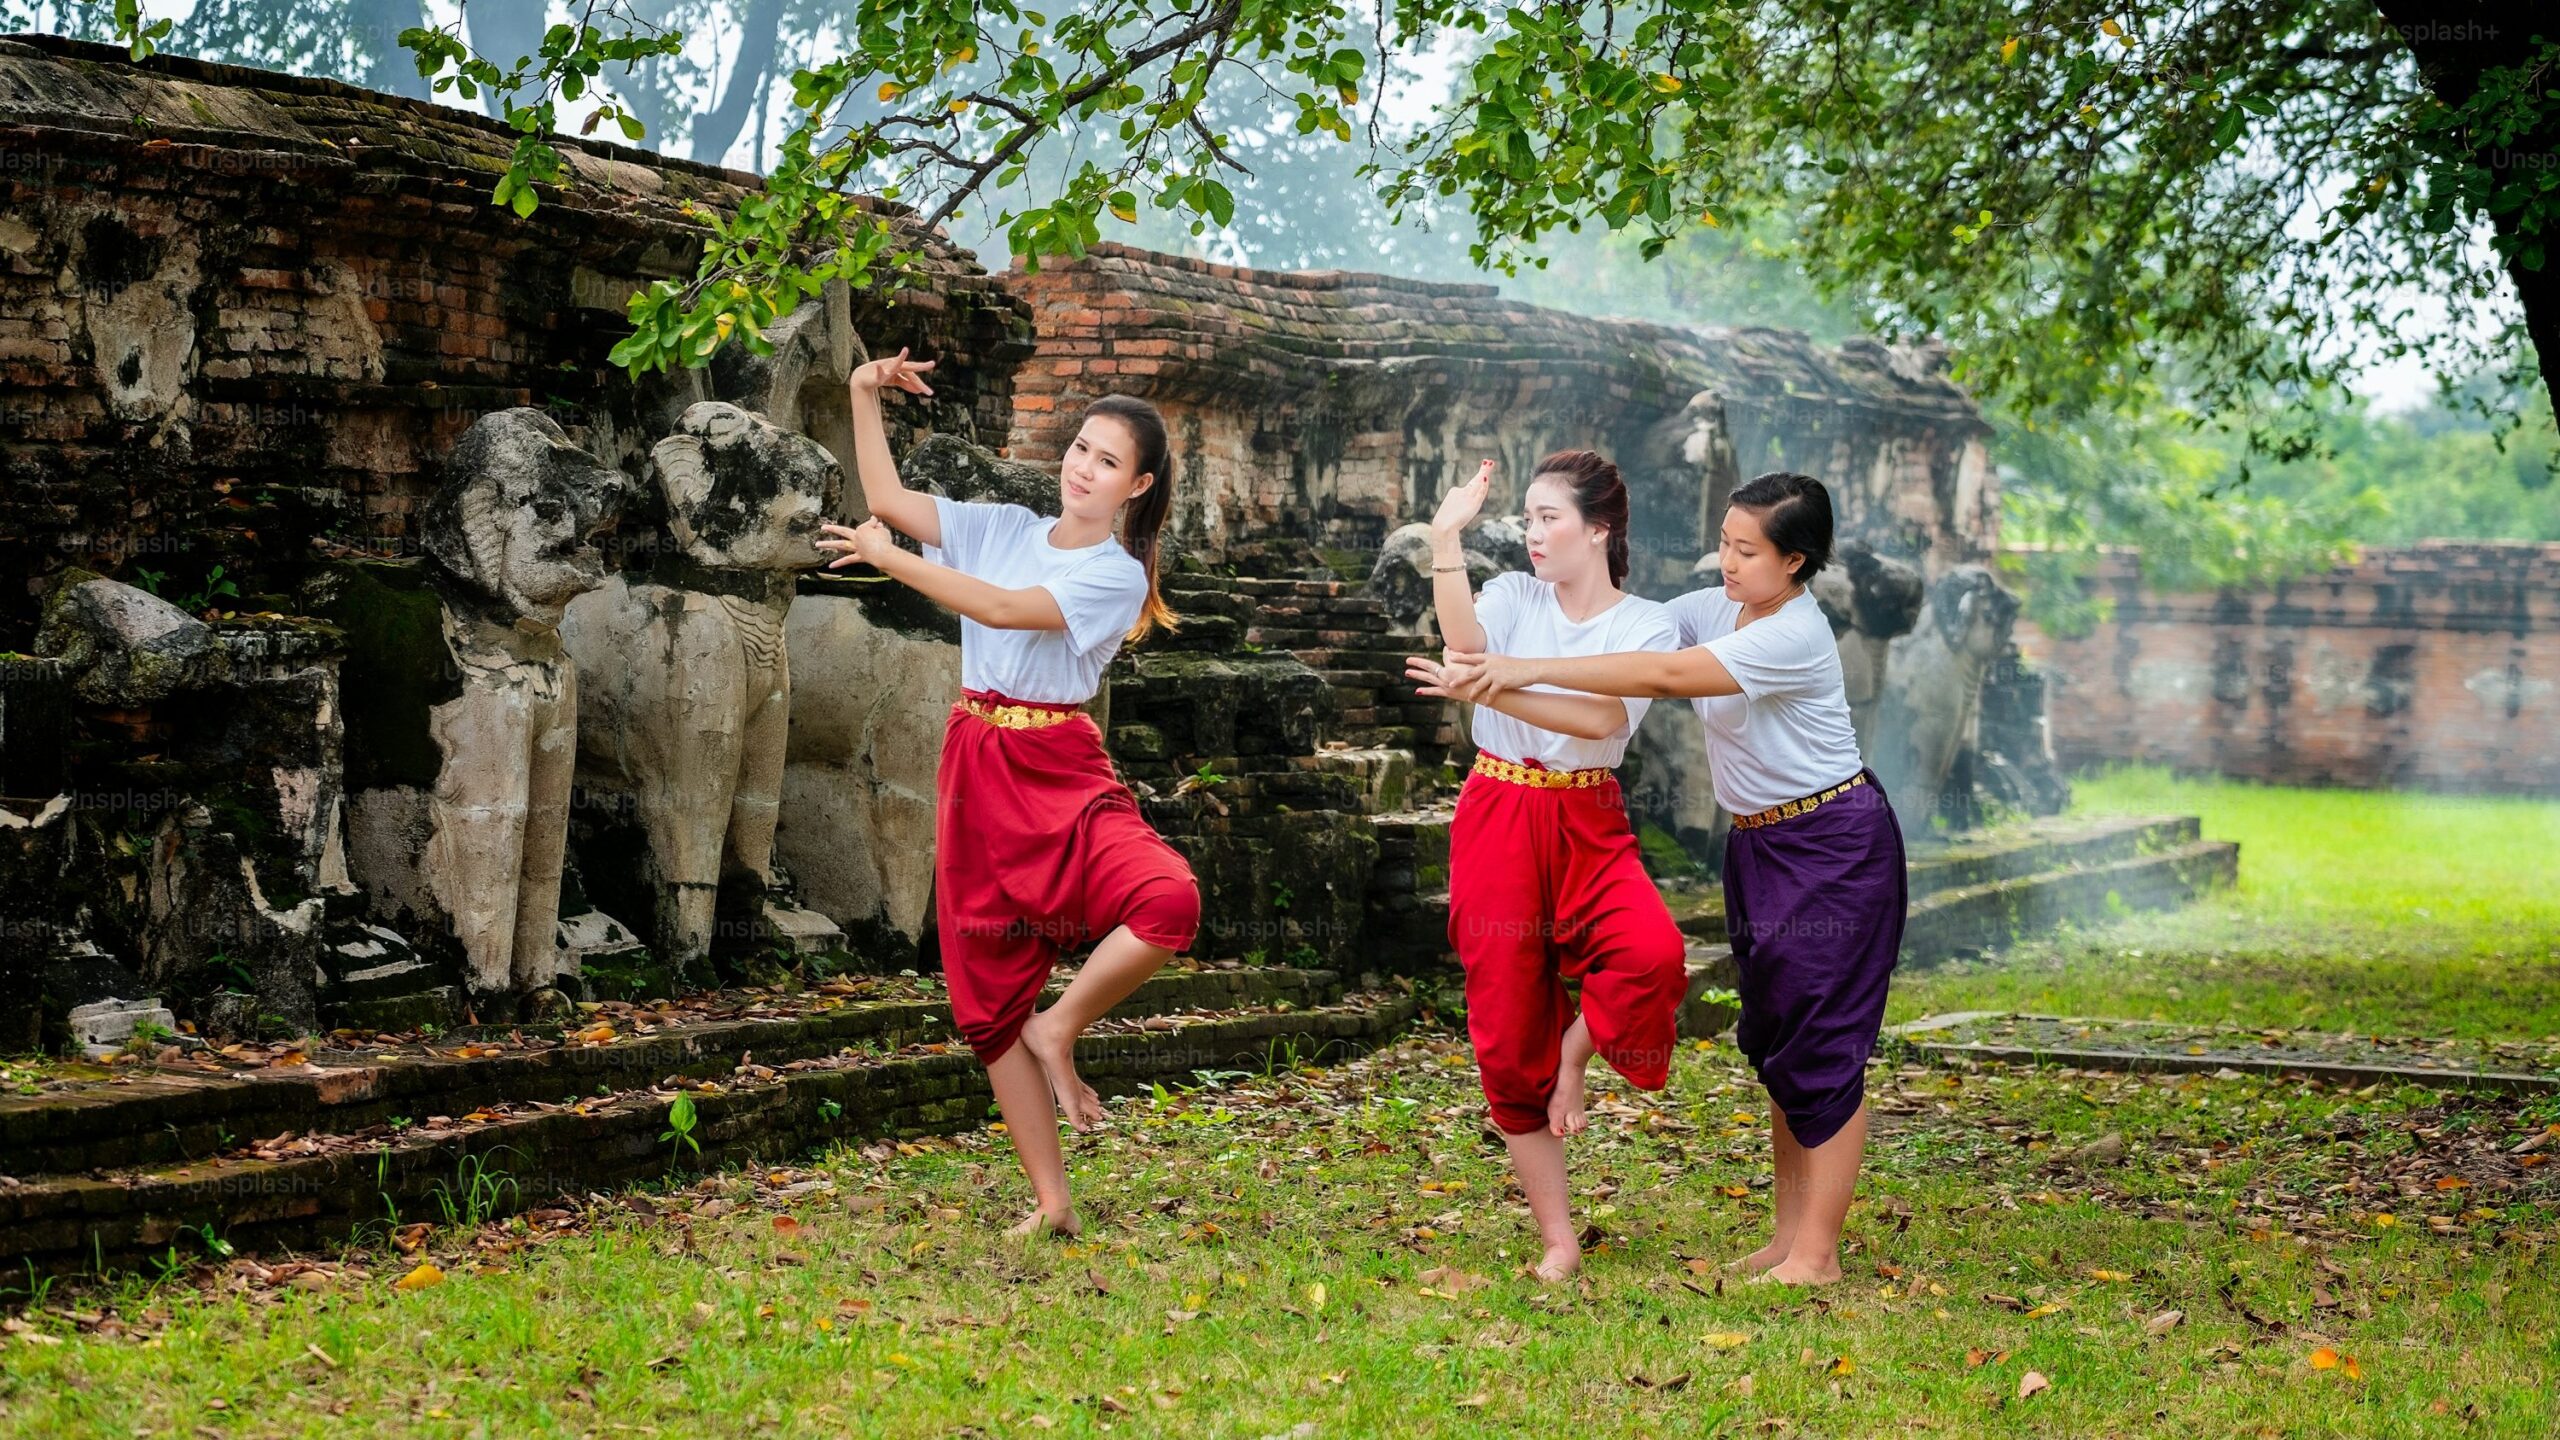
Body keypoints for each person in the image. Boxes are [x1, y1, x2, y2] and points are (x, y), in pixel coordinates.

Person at [1425, 471, 1906, 1287]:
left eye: (1747, 551)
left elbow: (1660, 677)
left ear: (1794, 562)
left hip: (1831, 843)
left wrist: (1511, 672)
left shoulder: (1791, 633)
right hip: (1758, 844)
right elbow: (1623, 632)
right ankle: (1787, 1237)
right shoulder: (1719, 607)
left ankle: (1818, 1254)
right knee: (1780, 1043)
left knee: (1822, 1045)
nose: (1726, 562)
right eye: (1724, 542)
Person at [816, 349, 1201, 1238]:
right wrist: (861, 394)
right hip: (978, 765)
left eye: (1108, 461)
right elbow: (889, 500)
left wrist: (887, 561)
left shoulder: (1116, 573)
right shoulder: (1001, 525)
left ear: (1138, 486)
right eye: (1080, 448)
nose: (1083, 468)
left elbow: (996, 609)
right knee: (988, 997)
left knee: (1168, 899)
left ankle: (1058, 1028)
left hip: (1059, 765)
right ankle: (1053, 1203)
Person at [1405, 451, 1690, 1284]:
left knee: (1652, 954)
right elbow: (1466, 648)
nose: (1532, 533)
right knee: (1504, 1023)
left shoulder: (1648, 625)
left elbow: (1601, 717)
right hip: (1498, 812)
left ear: (1598, 529)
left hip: (1588, 815)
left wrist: (1490, 689)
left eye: (1548, 518)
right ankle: (1558, 1238)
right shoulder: (1512, 595)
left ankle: (1573, 1056)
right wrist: (1446, 539)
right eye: (1526, 518)